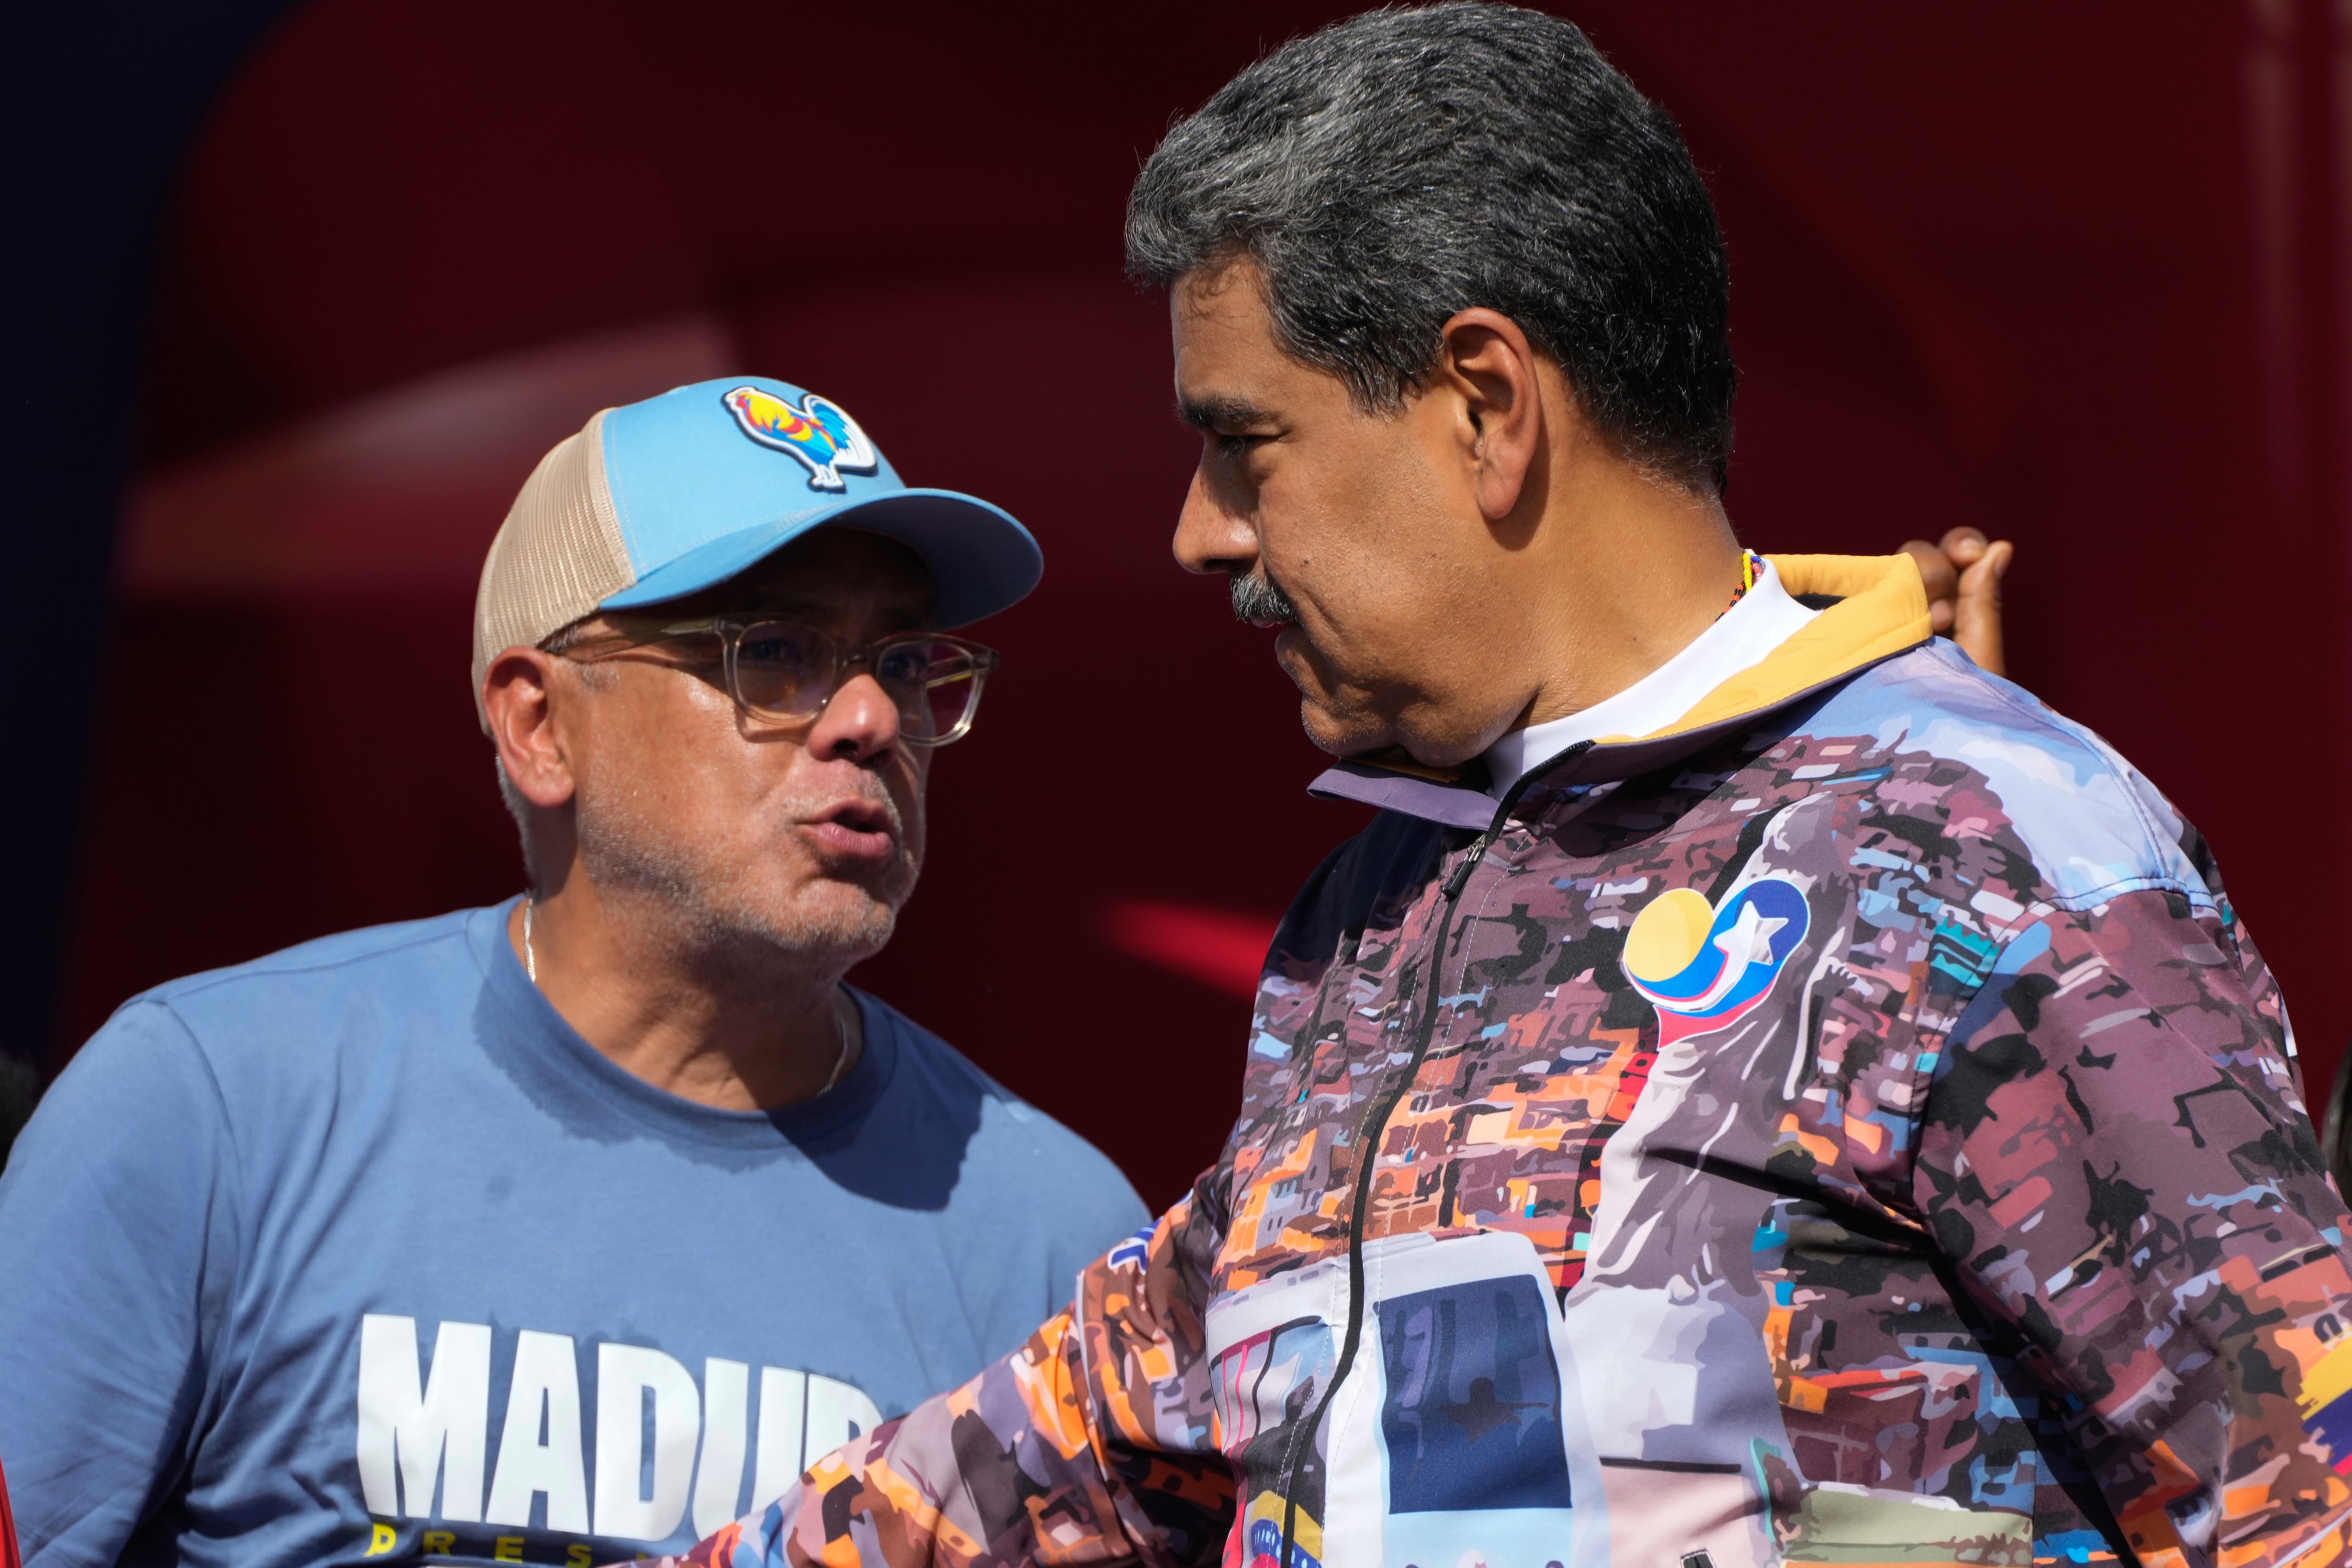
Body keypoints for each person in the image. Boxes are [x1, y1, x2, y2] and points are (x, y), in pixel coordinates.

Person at [672, 10, 2352, 1568]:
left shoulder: (1995, 853)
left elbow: (2299, 1495)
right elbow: (1111, 1414)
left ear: (1486, 407)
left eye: (1245, 441)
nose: (1200, 529)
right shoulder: (1385, 904)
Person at [0, 378, 1148, 1567]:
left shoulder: (1056, 1244)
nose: (867, 715)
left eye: (905, 662)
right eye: (772, 649)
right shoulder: (214, 1111)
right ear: (539, 725)